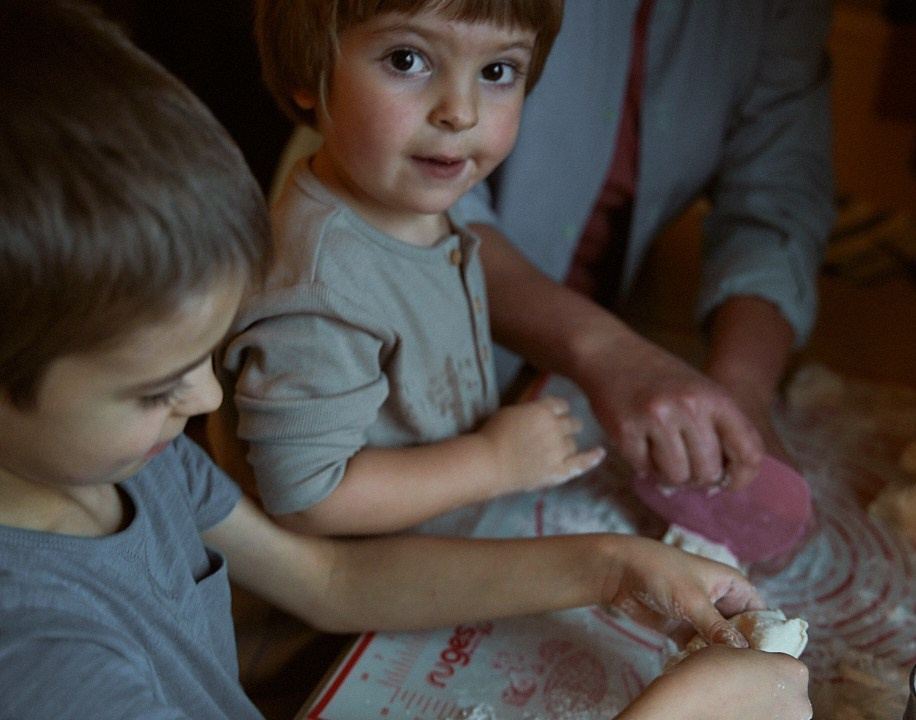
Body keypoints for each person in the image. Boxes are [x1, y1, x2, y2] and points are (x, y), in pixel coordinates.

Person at [0, 2, 815, 718]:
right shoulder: (43, 660)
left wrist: (611, 568)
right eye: (153, 387)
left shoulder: (137, 468)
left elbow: (327, 582)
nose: (209, 397)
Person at [211, 0, 606, 537]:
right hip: (354, 600)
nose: (460, 111)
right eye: (405, 60)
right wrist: (492, 461)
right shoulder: (319, 285)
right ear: (309, 74)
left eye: (496, 71)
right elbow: (307, 497)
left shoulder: (408, 208)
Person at [455, 0, 837, 491]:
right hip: (425, 336)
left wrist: (741, 385)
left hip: (581, 353)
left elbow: (779, 192)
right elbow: (422, 201)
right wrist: (607, 352)